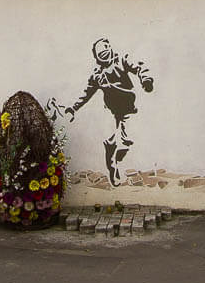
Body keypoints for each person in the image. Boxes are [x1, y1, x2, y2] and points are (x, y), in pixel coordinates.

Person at [55, 38, 154, 187]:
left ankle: (118, 159)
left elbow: (138, 67)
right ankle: (112, 166)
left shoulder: (122, 60)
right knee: (110, 140)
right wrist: (74, 108)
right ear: (96, 56)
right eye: (100, 53)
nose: (104, 55)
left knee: (127, 142)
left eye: (106, 50)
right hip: (110, 111)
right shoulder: (97, 74)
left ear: (110, 49)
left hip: (128, 110)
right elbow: (86, 94)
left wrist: (146, 80)